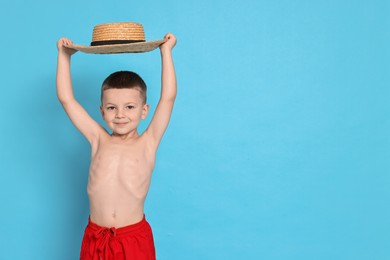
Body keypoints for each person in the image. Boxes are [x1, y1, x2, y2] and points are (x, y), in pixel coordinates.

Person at [56, 33, 177, 260]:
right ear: (102, 111)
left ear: (144, 111)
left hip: (133, 239)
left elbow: (168, 98)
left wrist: (166, 52)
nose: (120, 115)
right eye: (111, 108)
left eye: (130, 107)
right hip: (96, 237)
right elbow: (67, 99)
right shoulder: (97, 139)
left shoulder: (148, 142)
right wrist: (64, 56)